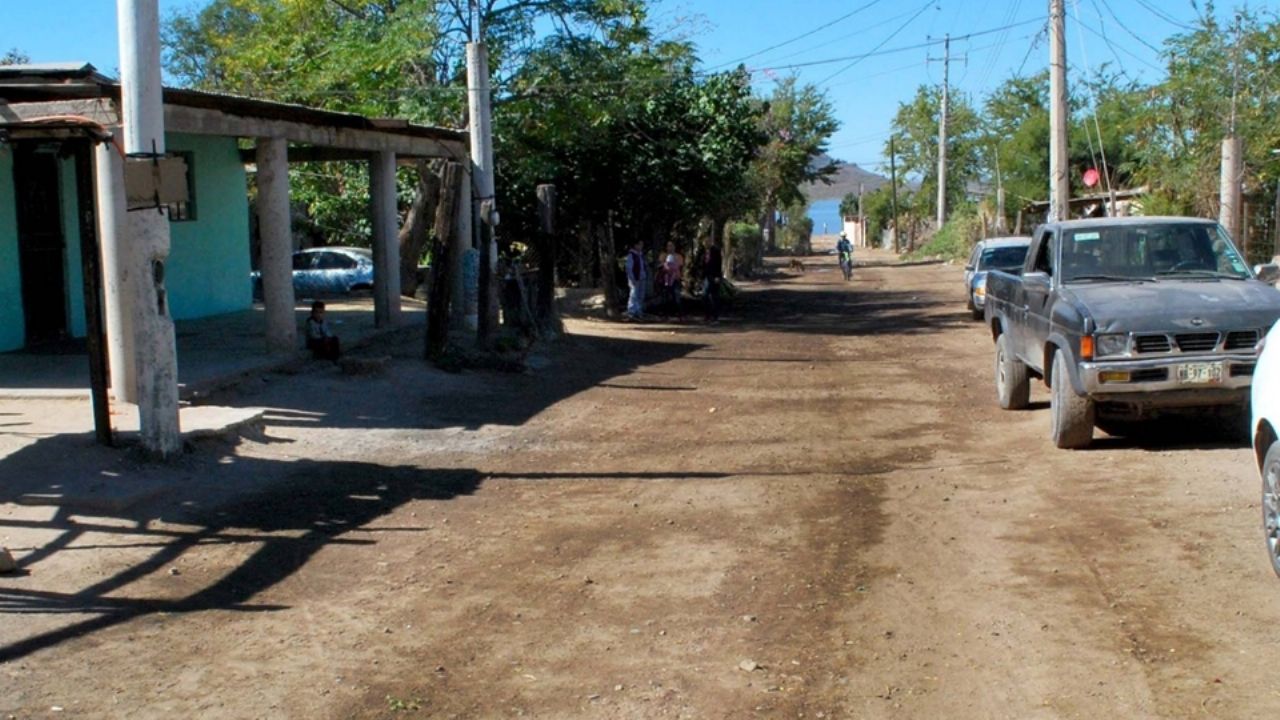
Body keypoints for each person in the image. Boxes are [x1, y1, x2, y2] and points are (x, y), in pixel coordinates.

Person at [658, 240, 684, 320]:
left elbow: (679, 266)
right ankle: (665, 314)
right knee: (665, 297)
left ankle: (679, 314)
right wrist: (665, 265)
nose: (670, 247)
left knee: (676, 296)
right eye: (668, 246)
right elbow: (660, 265)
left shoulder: (679, 256)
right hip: (666, 279)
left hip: (675, 278)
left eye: (672, 245)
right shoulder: (663, 256)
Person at [700, 237, 724, 324]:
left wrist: (718, 276)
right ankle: (707, 315)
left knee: (714, 297)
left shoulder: (715, 251)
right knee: (705, 296)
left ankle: (715, 317)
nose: (706, 244)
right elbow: (702, 264)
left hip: (714, 276)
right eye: (705, 242)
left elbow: (718, 264)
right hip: (706, 276)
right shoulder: (703, 252)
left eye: (708, 242)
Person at [625, 239, 649, 320]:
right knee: (633, 295)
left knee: (640, 296)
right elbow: (629, 268)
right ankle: (631, 311)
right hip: (635, 278)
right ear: (635, 245)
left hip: (642, 277)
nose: (641, 246)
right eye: (640, 244)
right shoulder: (631, 255)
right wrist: (632, 278)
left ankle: (638, 311)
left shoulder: (641, 255)